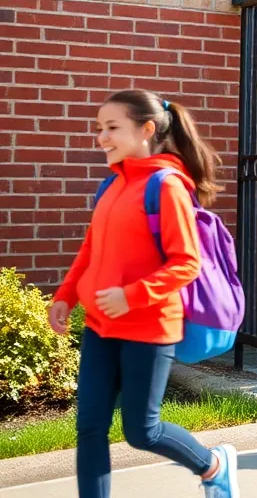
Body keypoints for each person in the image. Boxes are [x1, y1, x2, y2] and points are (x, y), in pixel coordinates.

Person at [49, 91, 239, 498]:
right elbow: (91, 247)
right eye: (99, 128)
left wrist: (131, 297)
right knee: (90, 427)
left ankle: (214, 465)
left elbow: (186, 263)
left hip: (149, 328)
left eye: (112, 127)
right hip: (101, 326)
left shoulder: (166, 186)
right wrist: (66, 295)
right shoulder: (112, 184)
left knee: (142, 431)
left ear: (147, 129)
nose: (102, 136)